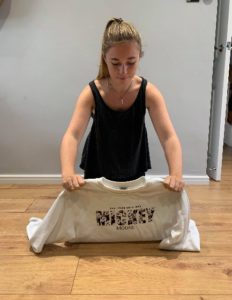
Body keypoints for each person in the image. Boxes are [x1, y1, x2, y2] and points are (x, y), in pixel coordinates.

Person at [60, 17, 185, 192]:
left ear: (140, 56)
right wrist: (67, 172)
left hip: (134, 170)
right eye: (116, 63)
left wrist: (176, 174)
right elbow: (72, 136)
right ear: (105, 58)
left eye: (131, 62)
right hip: (97, 171)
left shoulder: (149, 93)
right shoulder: (91, 93)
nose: (123, 71)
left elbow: (168, 137)